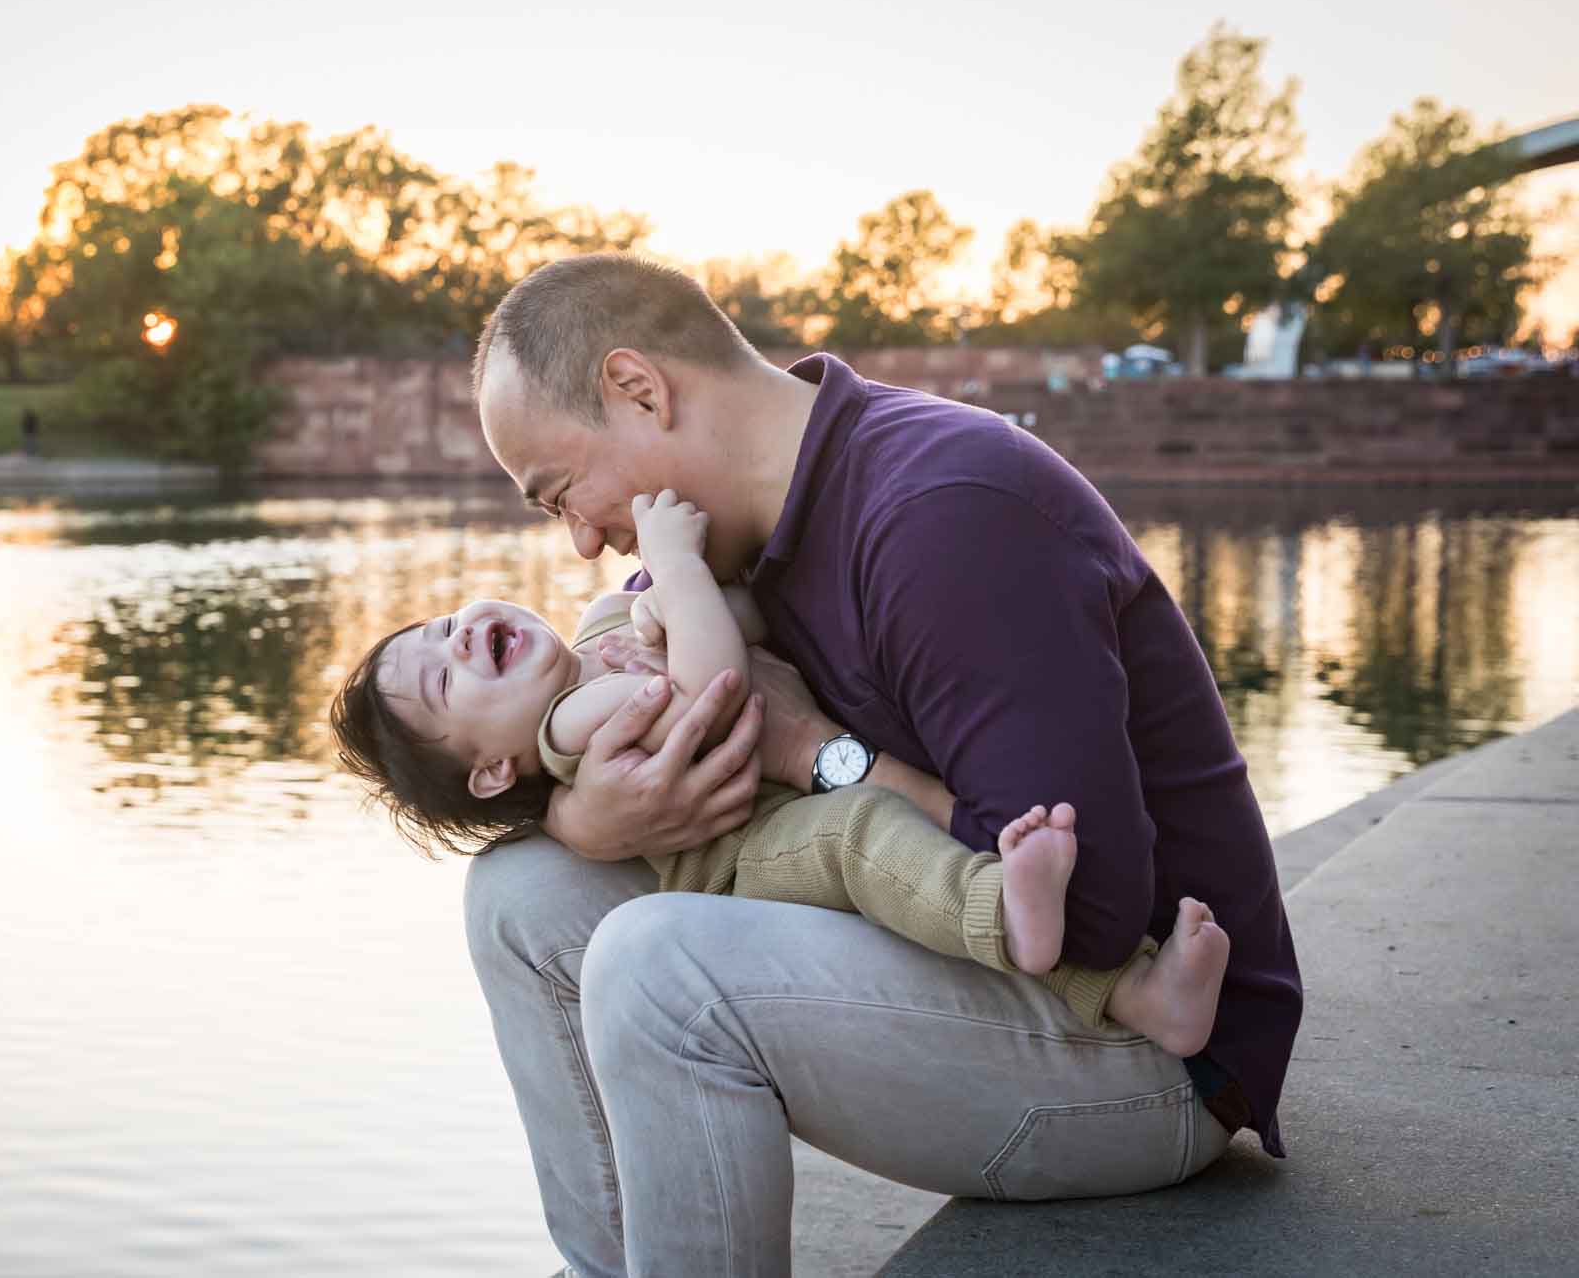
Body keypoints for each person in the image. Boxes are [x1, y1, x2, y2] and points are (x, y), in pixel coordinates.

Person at [462, 253, 1304, 1276]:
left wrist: (807, 748)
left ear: (639, 391)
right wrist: (584, 822)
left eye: (558, 491)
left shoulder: (944, 513)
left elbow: (1085, 910)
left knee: (655, 963)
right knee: (517, 889)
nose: (581, 542)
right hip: (980, 981)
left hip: (1144, 1053)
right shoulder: (717, 540)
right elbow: (611, 727)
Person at [330, 489, 1229, 1055]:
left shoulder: (603, 622)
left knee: (909, 853)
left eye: (444, 623)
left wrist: (682, 599)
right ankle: (1016, 916)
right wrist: (674, 567)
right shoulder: (570, 730)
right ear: (493, 771)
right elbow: (712, 688)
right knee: (860, 840)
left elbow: (745, 619)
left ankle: (1138, 990)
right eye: (444, 677)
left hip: (781, 792)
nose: (459, 636)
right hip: (749, 854)